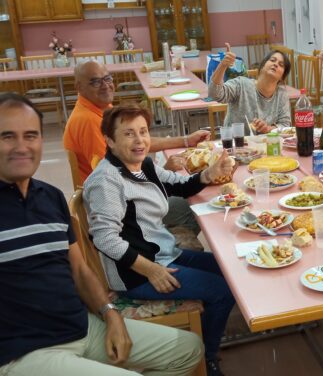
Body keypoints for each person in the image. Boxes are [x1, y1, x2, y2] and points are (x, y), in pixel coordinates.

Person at [0, 93, 203, 376]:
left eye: (31, 135)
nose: (22, 146)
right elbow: (107, 238)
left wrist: (110, 313)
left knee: (188, 349)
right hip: (24, 352)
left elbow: (80, 271)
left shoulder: (49, 198)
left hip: (81, 326)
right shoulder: (108, 179)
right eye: (7, 136)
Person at [82, 104, 236, 375]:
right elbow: (104, 238)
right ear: (109, 140)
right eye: (129, 134)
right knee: (222, 290)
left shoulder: (144, 165)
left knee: (230, 270)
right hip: (138, 274)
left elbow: (180, 185)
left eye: (143, 131)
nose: (139, 140)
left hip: (165, 254)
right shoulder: (107, 181)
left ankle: (208, 328)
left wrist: (211, 172)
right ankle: (208, 358)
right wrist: (150, 270)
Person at [63, 60, 207, 236]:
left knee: (191, 187)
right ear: (79, 86)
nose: (105, 85)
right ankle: (166, 245)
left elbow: (135, 144)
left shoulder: (98, 107)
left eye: (107, 78)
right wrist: (159, 172)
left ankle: (170, 242)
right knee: (195, 203)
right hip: (126, 212)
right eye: (95, 81)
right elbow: (116, 181)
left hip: (129, 200)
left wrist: (186, 141)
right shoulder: (88, 120)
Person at [208, 43, 292, 134]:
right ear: (262, 66)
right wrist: (223, 65)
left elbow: (285, 125)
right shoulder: (241, 85)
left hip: (266, 145)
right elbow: (214, 93)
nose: (276, 64)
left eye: (281, 65)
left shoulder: (281, 94)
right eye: (272, 60)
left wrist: (268, 129)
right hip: (235, 144)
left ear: (282, 77)